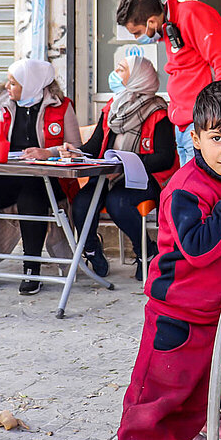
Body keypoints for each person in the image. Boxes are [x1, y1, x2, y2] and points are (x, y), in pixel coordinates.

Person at [107, 80, 221, 440]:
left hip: (216, 319)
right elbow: (197, 247)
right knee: (152, 407)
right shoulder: (187, 188)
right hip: (176, 318)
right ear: (195, 138)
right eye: (217, 139)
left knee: (194, 408)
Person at [0, 58, 80, 295]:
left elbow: (76, 149)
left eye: (14, 83)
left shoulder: (61, 106)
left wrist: (48, 152)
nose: (8, 87)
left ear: (31, 84)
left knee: (31, 198)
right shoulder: (3, 105)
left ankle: (31, 269)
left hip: (48, 179)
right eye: (8, 82)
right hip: (10, 175)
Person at [65, 55, 177, 281]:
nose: (115, 72)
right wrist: (75, 153)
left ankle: (145, 252)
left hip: (143, 180)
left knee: (119, 203)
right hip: (108, 176)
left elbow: (165, 158)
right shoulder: (112, 108)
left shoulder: (158, 113)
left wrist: (128, 163)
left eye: (122, 69)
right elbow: (94, 146)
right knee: (81, 204)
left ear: (138, 76)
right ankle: (92, 250)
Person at [116, 0, 221, 165]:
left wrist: (218, 115)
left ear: (151, 21)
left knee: (194, 190)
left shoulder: (191, 14)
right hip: (183, 126)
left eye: (137, 32)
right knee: (185, 188)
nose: (137, 38)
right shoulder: (169, 27)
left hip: (200, 123)